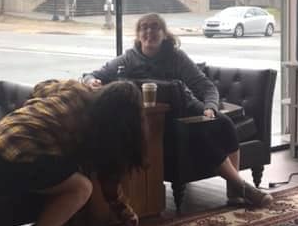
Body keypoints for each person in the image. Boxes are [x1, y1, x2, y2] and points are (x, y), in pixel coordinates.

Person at [83, 12, 272, 209]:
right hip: (164, 118)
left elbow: (206, 87)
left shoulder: (176, 57)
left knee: (225, 123)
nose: (150, 31)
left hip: (189, 105)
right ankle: (242, 187)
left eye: (155, 27)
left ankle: (233, 190)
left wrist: (210, 107)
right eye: (144, 28)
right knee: (200, 135)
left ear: (165, 34)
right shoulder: (128, 59)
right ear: (138, 35)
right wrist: (91, 81)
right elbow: (93, 75)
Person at [0, 79, 146, 226]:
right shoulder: (102, 126)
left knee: (64, 174)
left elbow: (39, 87)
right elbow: (107, 177)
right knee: (81, 187)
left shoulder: (75, 87)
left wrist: (35, 111)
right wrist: (123, 210)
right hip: (13, 159)